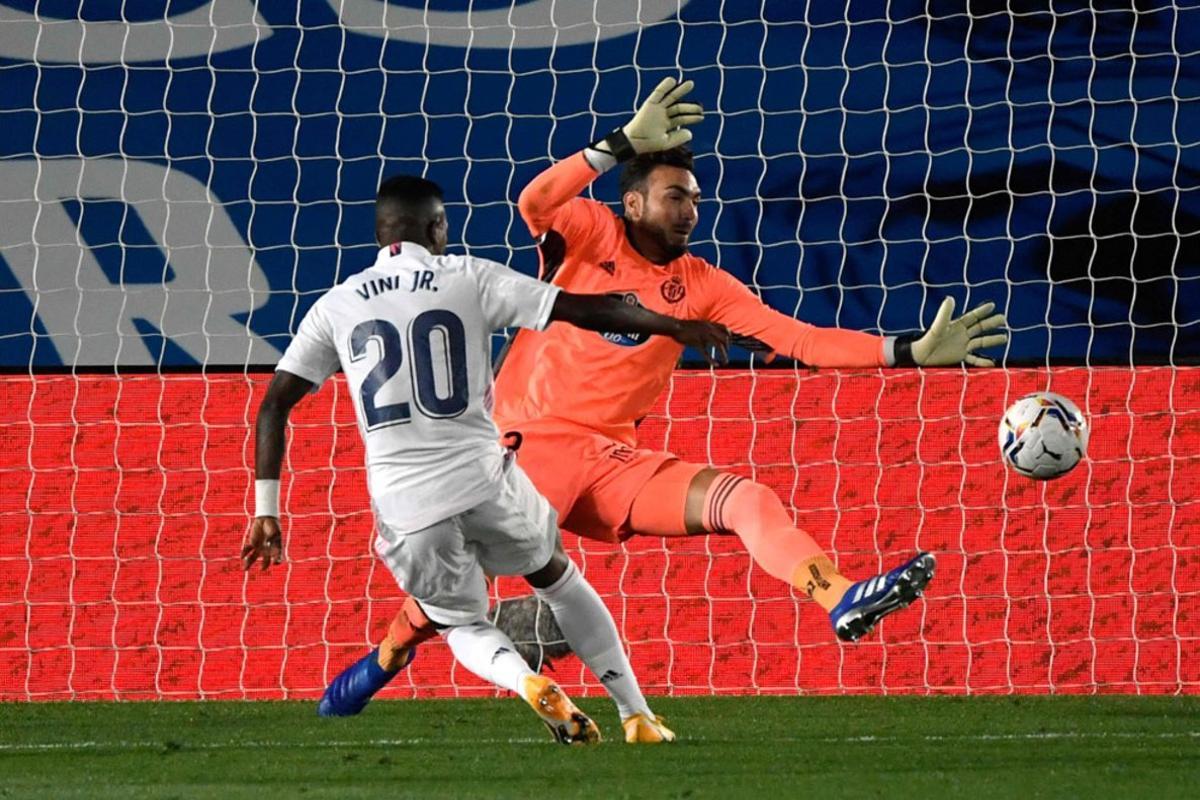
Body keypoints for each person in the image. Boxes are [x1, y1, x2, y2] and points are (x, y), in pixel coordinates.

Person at [328, 77, 1007, 713]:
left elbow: (799, 338)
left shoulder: (704, 284)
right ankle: (388, 655)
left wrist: (905, 352)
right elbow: (534, 201)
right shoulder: (589, 233)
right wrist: (620, 143)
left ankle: (839, 596)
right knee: (457, 592)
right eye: (675, 196)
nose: (690, 210)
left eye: (695, 199)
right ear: (633, 203)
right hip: (526, 445)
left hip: (608, 461)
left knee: (746, 499)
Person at [241, 173, 729, 744]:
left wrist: (266, 510)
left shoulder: (337, 305)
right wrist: (675, 326)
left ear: (379, 233)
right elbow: (584, 310)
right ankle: (636, 714)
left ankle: (527, 683)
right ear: (437, 227)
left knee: (461, 623)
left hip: (408, 505)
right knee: (558, 578)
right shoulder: (468, 276)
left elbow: (274, 406)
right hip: (485, 480)